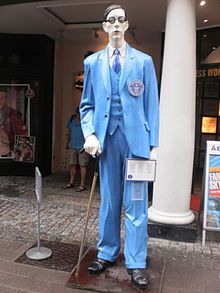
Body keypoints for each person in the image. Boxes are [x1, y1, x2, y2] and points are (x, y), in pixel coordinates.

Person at [80, 4, 159, 290]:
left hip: (136, 142)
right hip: (107, 140)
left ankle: (136, 262)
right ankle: (107, 252)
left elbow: (152, 105)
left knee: (136, 202)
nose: (116, 24)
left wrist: (153, 143)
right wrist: (89, 133)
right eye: (111, 20)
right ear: (104, 26)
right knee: (110, 201)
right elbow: (86, 105)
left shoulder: (143, 62)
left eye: (121, 20)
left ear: (126, 26)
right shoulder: (92, 64)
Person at [64, 106, 90, 192]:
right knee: (72, 164)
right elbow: (69, 132)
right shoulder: (72, 120)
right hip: (73, 146)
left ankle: (82, 184)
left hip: (83, 147)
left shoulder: (86, 121)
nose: (80, 116)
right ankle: (71, 182)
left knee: (83, 165)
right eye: (78, 114)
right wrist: (67, 142)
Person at [0, 89, 28, 158]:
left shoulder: (13, 115)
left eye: (2, 98)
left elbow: (22, 135)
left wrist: (19, 156)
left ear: (6, 99)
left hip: (6, 154)